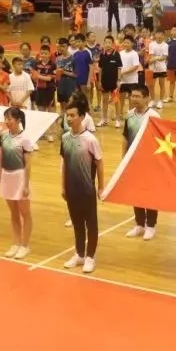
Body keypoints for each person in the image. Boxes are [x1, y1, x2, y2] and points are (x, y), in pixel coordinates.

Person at [60, 101, 105, 273]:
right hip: (71, 189)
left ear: (82, 116)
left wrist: (101, 187)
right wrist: (63, 186)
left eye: (72, 115)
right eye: (67, 115)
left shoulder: (90, 139)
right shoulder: (65, 138)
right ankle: (79, 254)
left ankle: (90, 257)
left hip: (87, 190)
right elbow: (64, 163)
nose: (69, 118)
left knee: (91, 224)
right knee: (77, 223)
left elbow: (99, 163)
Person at [121, 84, 161, 240]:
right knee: (135, 192)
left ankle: (151, 225)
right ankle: (139, 224)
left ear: (146, 98)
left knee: (150, 193)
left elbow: (160, 140)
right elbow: (125, 137)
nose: (134, 99)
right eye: (132, 96)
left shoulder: (154, 116)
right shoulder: (129, 115)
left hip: (150, 162)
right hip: (133, 161)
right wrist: (124, 158)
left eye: (137, 96)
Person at [0, 107, 34, 259]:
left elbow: (28, 164)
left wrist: (26, 184)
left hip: (20, 177)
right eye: (5, 118)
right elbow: (1, 156)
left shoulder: (25, 139)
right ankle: (16, 243)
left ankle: (25, 245)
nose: (7, 121)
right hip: (7, 177)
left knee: (25, 213)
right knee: (13, 213)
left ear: (18, 120)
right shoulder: (3, 135)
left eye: (10, 119)